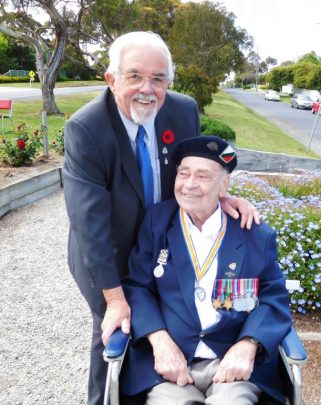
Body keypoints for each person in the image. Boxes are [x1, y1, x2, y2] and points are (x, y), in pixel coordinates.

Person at [63, 31, 259, 405]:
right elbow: (90, 225)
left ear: (169, 81)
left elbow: (195, 170)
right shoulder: (86, 129)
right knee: (113, 334)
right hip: (109, 251)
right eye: (134, 76)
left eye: (158, 78)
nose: (147, 89)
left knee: (166, 315)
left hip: (163, 241)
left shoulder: (183, 110)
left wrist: (222, 195)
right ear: (111, 79)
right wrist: (115, 297)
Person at [122, 136, 292, 404]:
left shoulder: (254, 235)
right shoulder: (157, 222)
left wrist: (249, 344)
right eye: (183, 173)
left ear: (224, 185)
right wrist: (159, 341)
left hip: (230, 363)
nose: (189, 184)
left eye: (203, 176)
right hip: (169, 362)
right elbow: (138, 286)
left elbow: (273, 296)